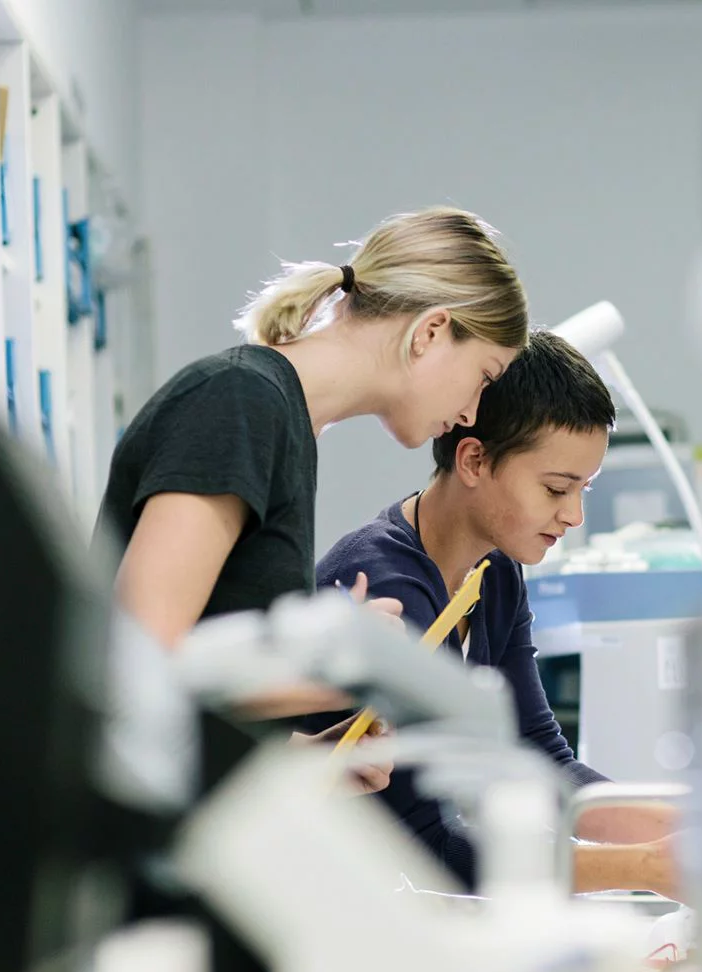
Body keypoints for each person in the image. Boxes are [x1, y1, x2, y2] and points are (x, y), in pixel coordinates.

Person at [95, 207, 529, 765]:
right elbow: (137, 664)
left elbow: (202, 687)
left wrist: (317, 754)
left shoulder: (288, 422)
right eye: (483, 377)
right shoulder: (239, 401)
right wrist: (335, 665)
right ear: (431, 332)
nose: (472, 414)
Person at [316, 331, 680, 895]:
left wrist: (684, 832)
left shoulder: (493, 572)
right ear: (474, 459)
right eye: (557, 488)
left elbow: (538, 753)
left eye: (585, 488)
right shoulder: (387, 588)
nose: (576, 515)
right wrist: (646, 869)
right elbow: (424, 846)